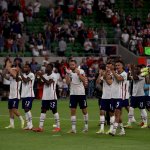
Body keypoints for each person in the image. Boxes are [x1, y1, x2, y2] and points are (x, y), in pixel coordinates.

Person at [32, 63, 61, 132]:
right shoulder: (44, 75)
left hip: (52, 97)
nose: (46, 68)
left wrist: (41, 76)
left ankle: (58, 127)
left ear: (51, 68)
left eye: (48, 67)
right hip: (45, 97)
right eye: (46, 67)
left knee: (54, 111)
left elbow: (48, 83)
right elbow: (41, 83)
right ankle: (40, 127)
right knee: (43, 111)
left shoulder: (54, 75)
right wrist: (38, 77)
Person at [65, 59, 88, 133]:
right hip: (73, 94)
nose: (71, 66)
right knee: (73, 110)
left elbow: (84, 80)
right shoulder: (69, 72)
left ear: (75, 65)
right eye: (70, 65)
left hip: (81, 93)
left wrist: (78, 74)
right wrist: (67, 74)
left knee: (84, 111)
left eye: (73, 65)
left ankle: (86, 127)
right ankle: (73, 128)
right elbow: (68, 83)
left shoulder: (81, 71)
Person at [4, 60, 24, 129]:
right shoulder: (11, 78)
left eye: (14, 70)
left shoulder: (19, 77)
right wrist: (6, 68)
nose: (12, 71)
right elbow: (4, 75)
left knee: (14, 109)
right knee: (10, 110)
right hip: (11, 96)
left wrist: (8, 66)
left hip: (16, 95)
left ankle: (22, 120)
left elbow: (15, 76)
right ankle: (11, 124)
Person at [96, 62, 115, 134]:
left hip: (111, 97)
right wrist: (100, 74)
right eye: (106, 67)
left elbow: (109, 83)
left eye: (108, 67)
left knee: (111, 113)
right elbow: (97, 82)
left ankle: (111, 129)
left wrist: (104, 76)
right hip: (104, 97)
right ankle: (101, 129)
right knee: (101, 112)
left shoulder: (113, 74)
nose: (107, 68)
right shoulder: (104, 74)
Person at [109, 60, 127, 136]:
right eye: (116, 65)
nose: (117, 67)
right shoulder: (114, 73)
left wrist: (113, 71)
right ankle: (122, 130)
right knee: (117, 114)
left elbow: (119, 79)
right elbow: (108, 80)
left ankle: (113, 130)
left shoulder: (124, 74)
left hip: (120, 96)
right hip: (113, 96)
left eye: (118, 65)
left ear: (122, 66)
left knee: (117, 113)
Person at [17, 64, 35, 130]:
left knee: (27, 109)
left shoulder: (31, 74)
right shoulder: (23, 75)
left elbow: (25, 81)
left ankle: (31, 125)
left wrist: (20, 73)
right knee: (25, 110)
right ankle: (28, 125)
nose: (25, 68)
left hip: (29, 95)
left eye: (26, 67)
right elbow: (17, 80)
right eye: (24, 67)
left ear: (29, 68)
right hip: (24, 95)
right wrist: (17, 73)